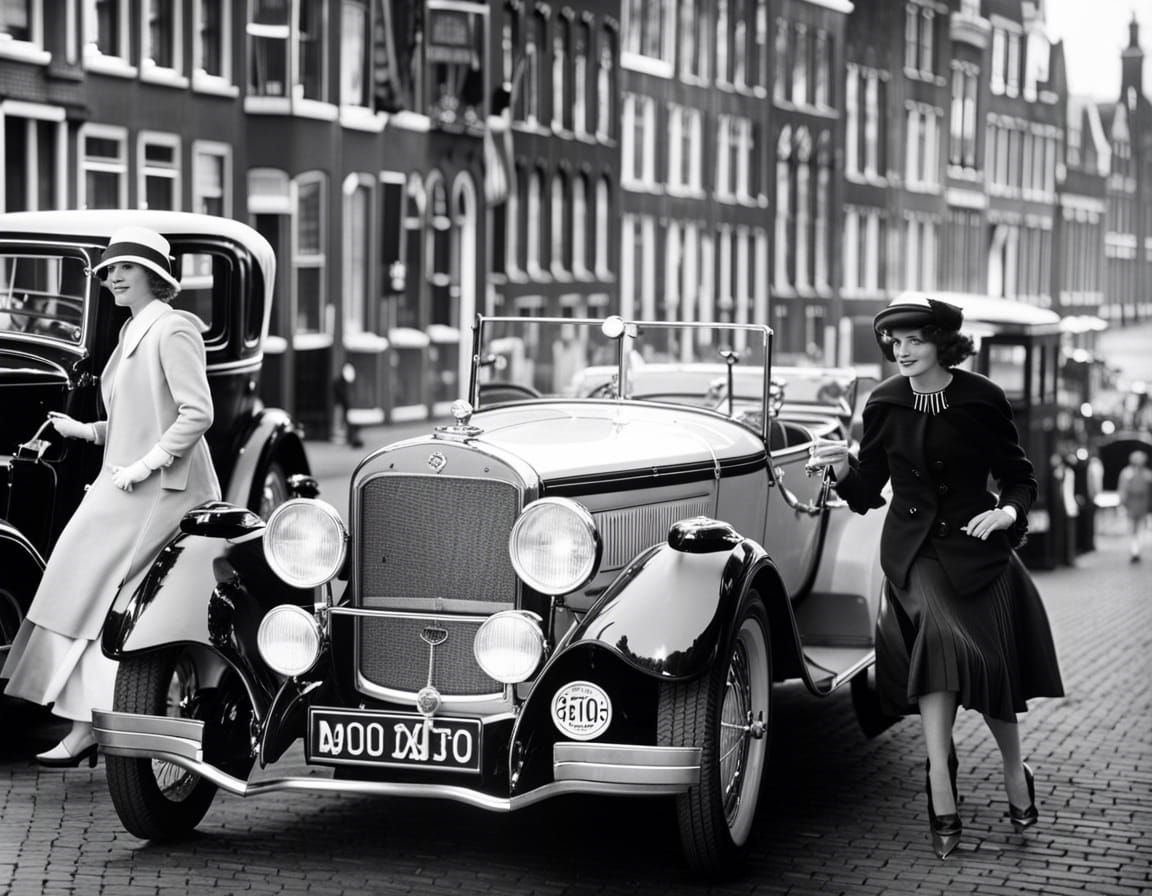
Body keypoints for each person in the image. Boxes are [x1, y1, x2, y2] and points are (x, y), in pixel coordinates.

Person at [808, 296, 1064, 859]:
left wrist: (1008, 512)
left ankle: (1013, 767)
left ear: (941, 343)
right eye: (894, 343)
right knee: (944, 645)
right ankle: (942, 788)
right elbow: (869, 494)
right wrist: (844, 468)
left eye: (913, 341)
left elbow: (1020, 476)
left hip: (980, 553)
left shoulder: (983, 397)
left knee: (990, 665)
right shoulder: (883, 402)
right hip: (914, 555)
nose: (901, 352)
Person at [1, 225, 220, 766]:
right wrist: (84, 431)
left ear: (155, 276)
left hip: (163, 490)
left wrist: (147, 462)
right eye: (107, 271)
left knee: (89, 586)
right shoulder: (129, 335)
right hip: (124, 482)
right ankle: (82, 723)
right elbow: (135, 420)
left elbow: (198, 412)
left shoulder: (174, 330)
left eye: (124, 268)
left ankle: (84, 727)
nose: (111, 278)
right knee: (77, 589)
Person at [1117, 450, 1152, 563]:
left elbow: (1149, 491)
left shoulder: (1147, 474)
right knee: (1132, 528)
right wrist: (1122, 503)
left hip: (1142, 503)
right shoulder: (1127, 473)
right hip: (1131, 503)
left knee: (1140, 527)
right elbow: (1122, 490)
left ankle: (1136, 549)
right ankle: (1134, 549)